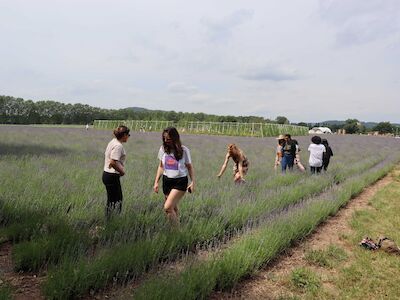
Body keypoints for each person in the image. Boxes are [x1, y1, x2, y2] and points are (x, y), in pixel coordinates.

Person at [153, 127, 195, 227]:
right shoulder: (163, 149)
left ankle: (176, 233)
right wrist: (156, 182)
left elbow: (189, 167)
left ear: (175, 138)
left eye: (168, 139)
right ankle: (176, 229)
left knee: (167, 207)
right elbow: (161, 166)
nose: (166, 141)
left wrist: (193, 182)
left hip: (180, 182)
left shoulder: (184, 150)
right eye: (164, 139)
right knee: (173, 208)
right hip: (167, 181)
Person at [102, 125, 130, 219]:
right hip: (112, 175)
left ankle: (109, 219)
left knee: (111, 200)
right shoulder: (118, 146)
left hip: (107, 174)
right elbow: (113, 162)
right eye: (128, 135)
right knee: (117, 200)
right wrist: (122, 172)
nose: (128, 137)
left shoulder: (113, 141)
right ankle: (113, 220)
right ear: (124, 135)